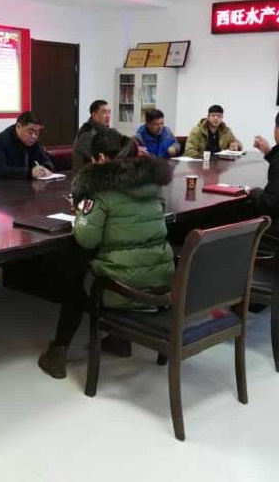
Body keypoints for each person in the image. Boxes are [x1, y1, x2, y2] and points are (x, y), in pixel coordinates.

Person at [38, 130, 175, 379]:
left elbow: (86, 239)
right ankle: (119, 339)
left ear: (100, 158)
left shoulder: (100, 191)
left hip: (122, 291)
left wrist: (82, 213)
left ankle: (58, 352)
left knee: (75, 278)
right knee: (121, 259)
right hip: (161, 282)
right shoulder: (152, 185)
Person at [0, 111, 55, 179]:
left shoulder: (32, 142)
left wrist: (44, 168)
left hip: (27, 183)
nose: (34, 136)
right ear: (18, 126)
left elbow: (46, 161)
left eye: (37, 133)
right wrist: (29, 173)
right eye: (30, 132)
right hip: (2, 184)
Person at [72, 99, 116, 172]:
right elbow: (100, 158)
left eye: (109, 112)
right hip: (85, 176)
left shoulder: (104, 131)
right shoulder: (87, 133)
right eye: (104, 112)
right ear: (94, 115)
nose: (108, 116)